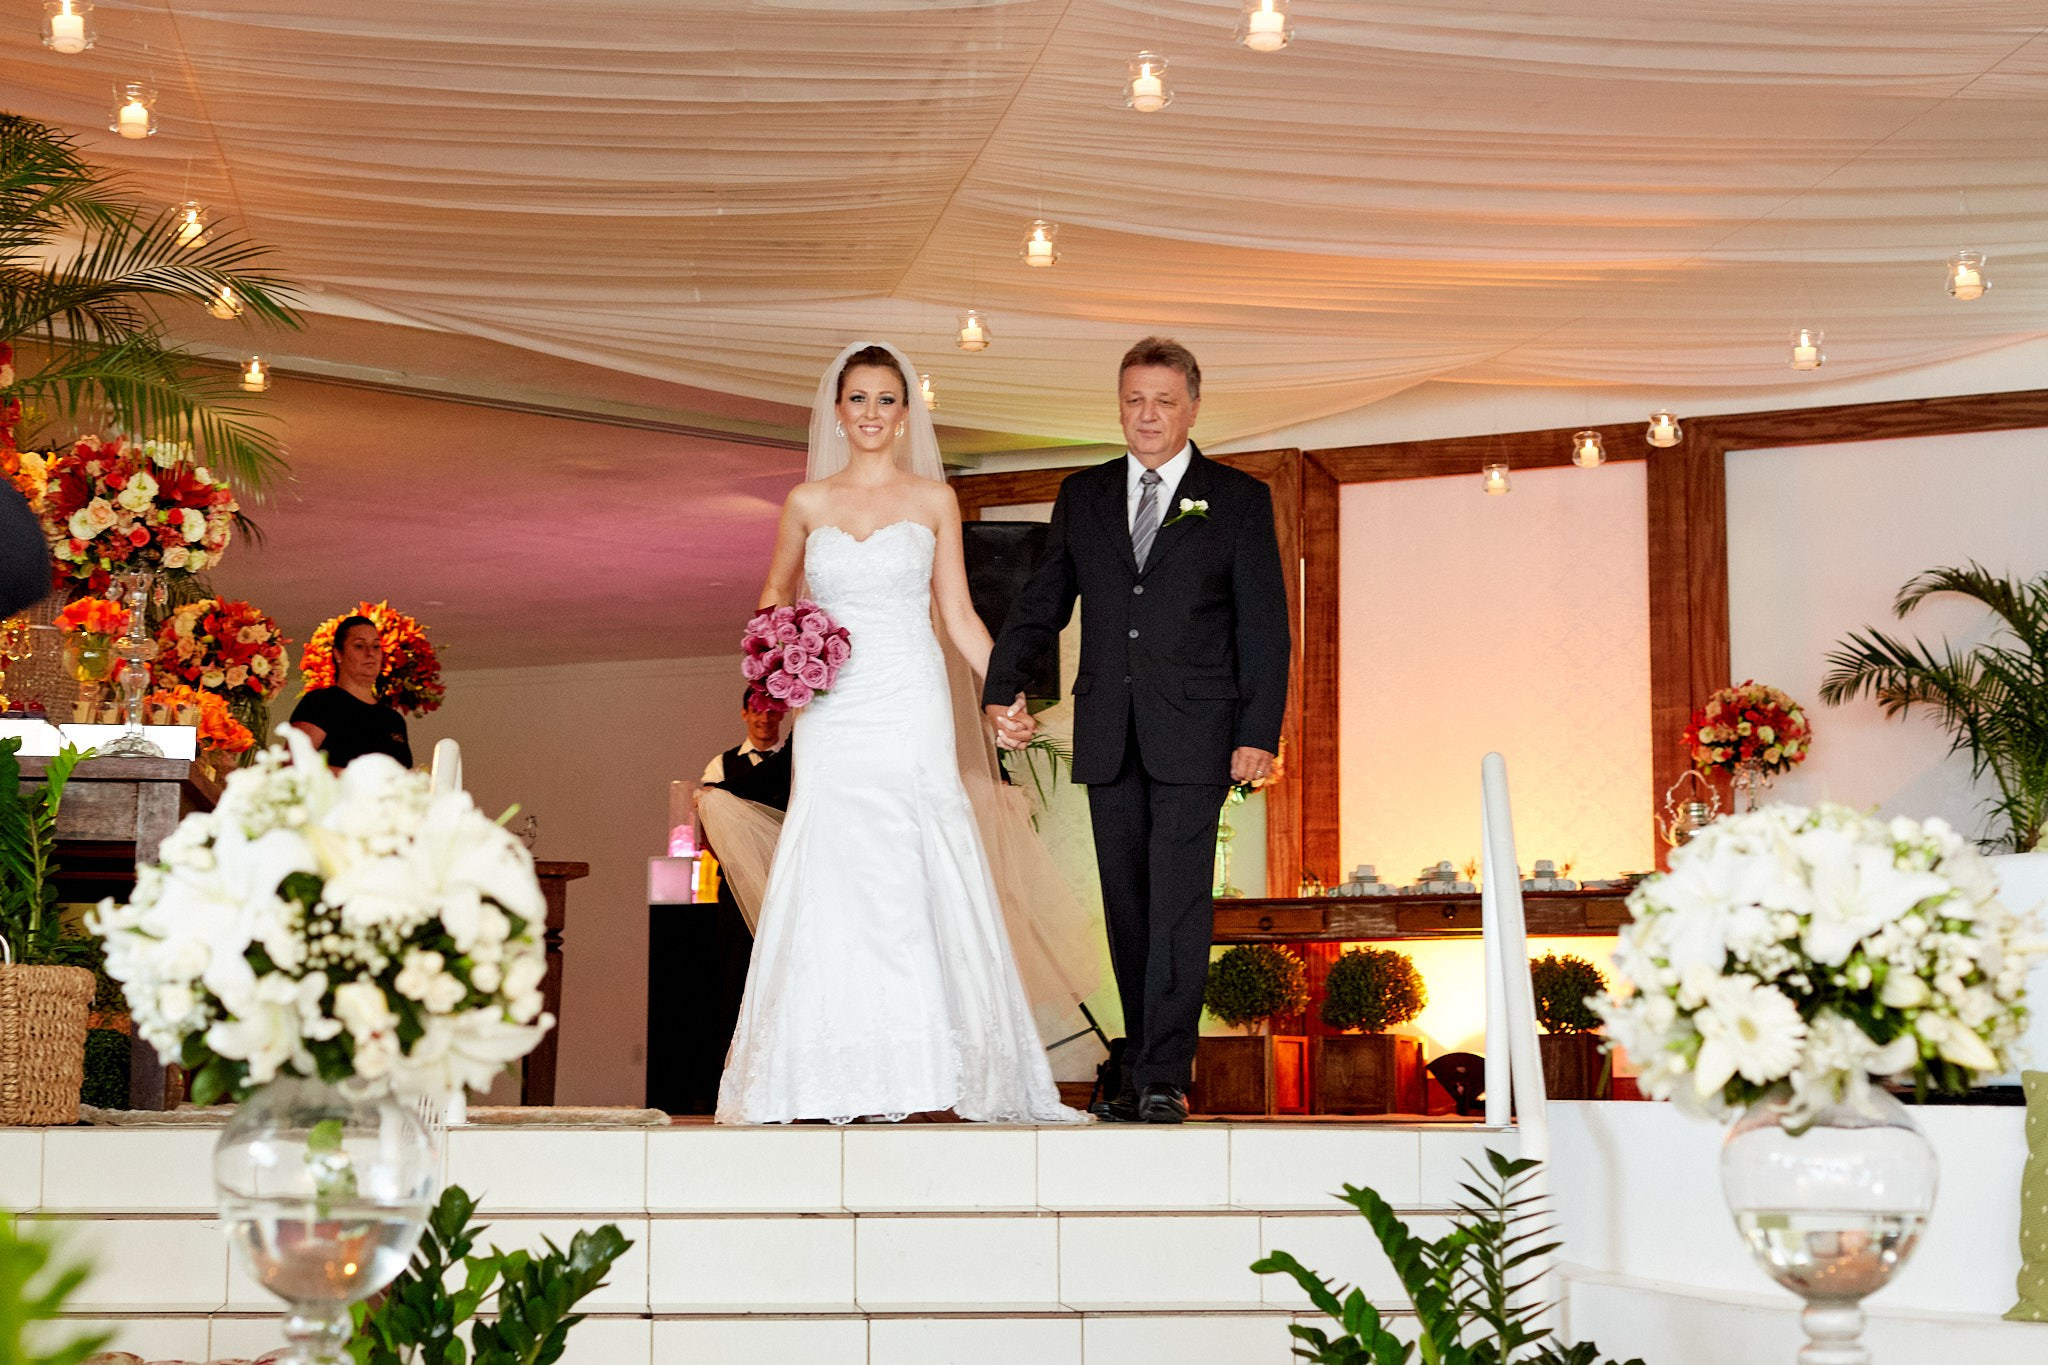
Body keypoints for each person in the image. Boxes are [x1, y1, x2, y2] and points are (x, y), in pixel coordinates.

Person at [715, 341, 1083, 1126]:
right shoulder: (807, 503)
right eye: (859, 399)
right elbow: (773, 594)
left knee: (920, 854)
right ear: (837, 410)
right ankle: (822, 1068)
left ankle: (938, 1064)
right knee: (837, 860)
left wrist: (1001, 694)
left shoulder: (933, 501)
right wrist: (787, 647)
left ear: (906, 413)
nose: (873, 413)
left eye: (887, 400)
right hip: (834, 706)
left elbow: (956, 614)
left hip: (909, 696)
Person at [983, 337, 1291, 1124]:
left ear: (1192, 406)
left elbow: (1265, 628)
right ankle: (1146, 1056)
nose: (1146, 415)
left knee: (1178, 904)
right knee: (1127, 904)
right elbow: (1044, 598)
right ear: (1119, 405)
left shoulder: (1239, 498)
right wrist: (1002, 684)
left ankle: (1164, 1073)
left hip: (1199, 735)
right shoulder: (1083, 495)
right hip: (1110, 731)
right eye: (1133, 400)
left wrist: (1260, 729)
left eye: (1162, 400)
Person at [290, 614, 414, 769]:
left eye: (376, 646)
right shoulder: (321, 703)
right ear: (338, 654)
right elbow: (293, 766)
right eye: (359, 646)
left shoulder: (393, 719)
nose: (370, 653)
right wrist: (362, 780)